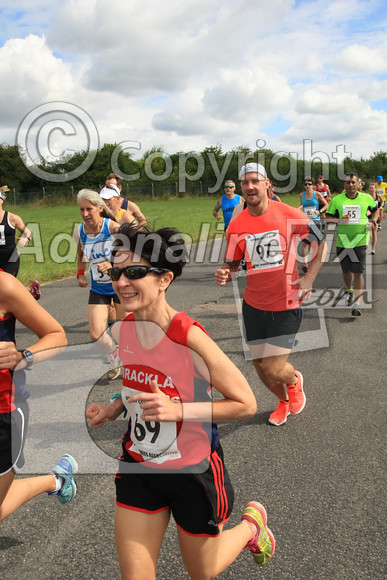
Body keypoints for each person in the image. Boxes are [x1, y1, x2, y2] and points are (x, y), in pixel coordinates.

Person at [86, 224, 276, 579]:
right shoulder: (125, 328)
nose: (122, 282)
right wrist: (116, 405)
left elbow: (245, 403)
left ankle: (252, 527)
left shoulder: (187, 335)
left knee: (203, 572)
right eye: (116, 272)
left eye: (135, 272)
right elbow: (139, 384)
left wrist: (179, 411)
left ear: (164, 279)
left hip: (192, 470)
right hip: (140, 467)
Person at [215, 163, 326, 427]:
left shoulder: (289, 213)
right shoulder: (236, 226)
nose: (250, 186)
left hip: (286, 302)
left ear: (267, 184)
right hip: (254, 305)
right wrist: (225, 273)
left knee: (275, 367)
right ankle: (283, 400)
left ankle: (294, 381)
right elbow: (232, 264)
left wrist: (308, 278)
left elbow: (320, 242)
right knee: (260, 365)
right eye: (245, 183)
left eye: (255, 181)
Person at [0, 270, 77, 522]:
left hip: (4, 412)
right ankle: (56, 480)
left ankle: (55, 480)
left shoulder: (5, 286)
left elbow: (57, 336)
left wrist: (23, 357)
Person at [74, 189, 124, 379]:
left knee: (124, 332)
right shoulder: (80, 230)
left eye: (89, 209)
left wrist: (112, 263)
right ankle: (114, 354)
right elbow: (80, 255)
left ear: (99, 208)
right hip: (98, 288)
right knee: (95, 334)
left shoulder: (111, 227)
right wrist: (80, 273)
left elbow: (129, 252)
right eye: (81, 210)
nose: (85, 214)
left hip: (120, 286)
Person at [325, 172, 378, 316]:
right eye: (348, 182)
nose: (351, 185)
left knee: (358, 272)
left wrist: (373, 221)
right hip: (343, 241)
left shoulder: (366, 198)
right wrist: (340, 220)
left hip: (360, 240)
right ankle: (349, 291)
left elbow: (376, 210)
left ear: (358, 184)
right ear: (345, 184)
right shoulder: (337, 200)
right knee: (346, 271)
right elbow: (327, 218)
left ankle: (357, 303)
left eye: (353, 182)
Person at [0, 185, 40, 300]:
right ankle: (31, 289)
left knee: (7, 289)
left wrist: (26, 238)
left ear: (1, 200)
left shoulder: (12, 218)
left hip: (10, 258)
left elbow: (28, 232)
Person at [298, 177, 328, 273]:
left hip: (316, 221)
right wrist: (297, 209)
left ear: (313, 186)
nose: (307, 186)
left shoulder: (317, 194)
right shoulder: (301, 195)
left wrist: (319, 211)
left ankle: (317, 262)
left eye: (309, 184)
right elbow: (302, 205)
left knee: (317, 242)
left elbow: (326, 204)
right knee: (305, 242)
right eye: (306, 184)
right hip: (305, 221)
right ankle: (305, 264)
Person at [368, 183, 383, 255]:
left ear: (375, 189)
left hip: (375, 216)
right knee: (368, 232)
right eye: (370, 188)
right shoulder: (367, 197)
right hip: (368, 216)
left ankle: (373, 248)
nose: (371, 190)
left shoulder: (378, 196)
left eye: (372, 188)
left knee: (374, 232)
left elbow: (382, 201)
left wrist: (381, 206)